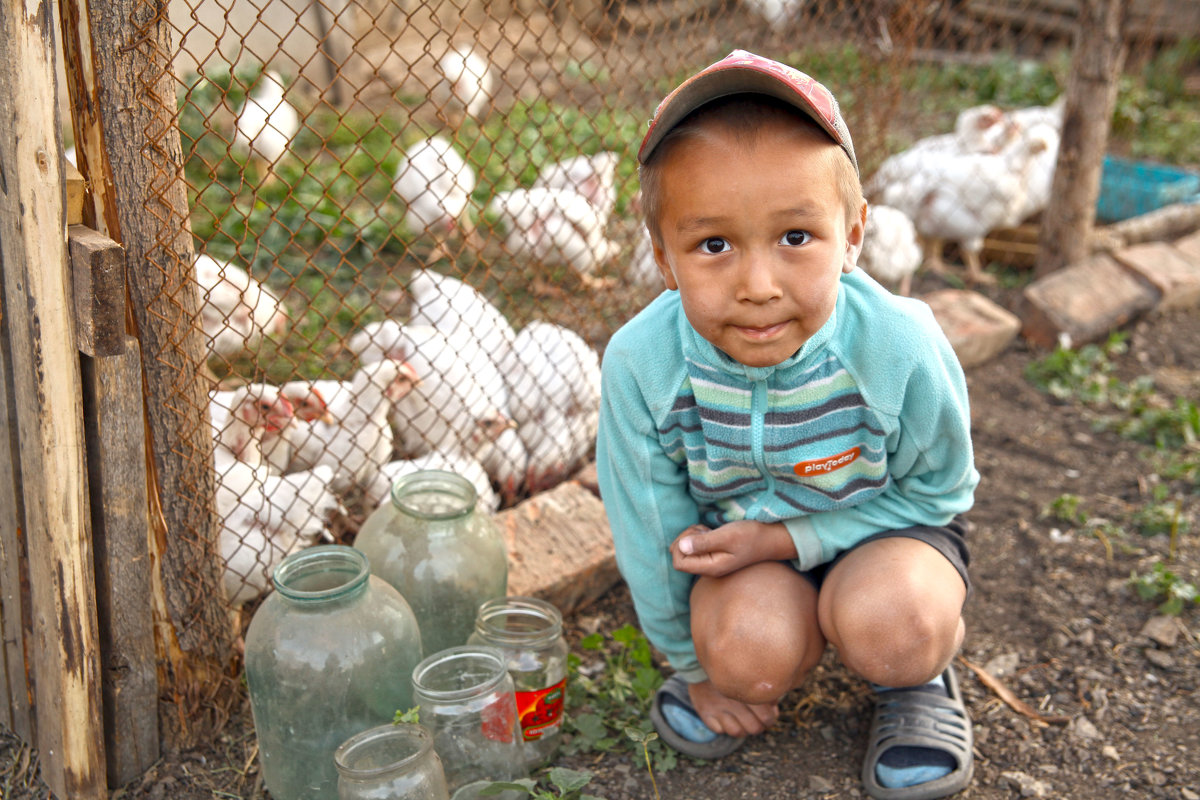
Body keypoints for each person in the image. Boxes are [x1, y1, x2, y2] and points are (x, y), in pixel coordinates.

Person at [595, 50, 979, 800]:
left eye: (796, 237)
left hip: (888, 535)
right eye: (714, 246)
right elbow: (650, 526)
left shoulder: (898, 345)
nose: (759, 287)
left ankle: (918, 681)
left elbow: (939, 494)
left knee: (897, 628)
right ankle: (778, 640)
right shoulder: (642, 365)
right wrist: (694, 667)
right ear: (663, 258)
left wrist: (789, 538)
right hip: (745, 562)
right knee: (746, 657)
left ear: (854, 234)